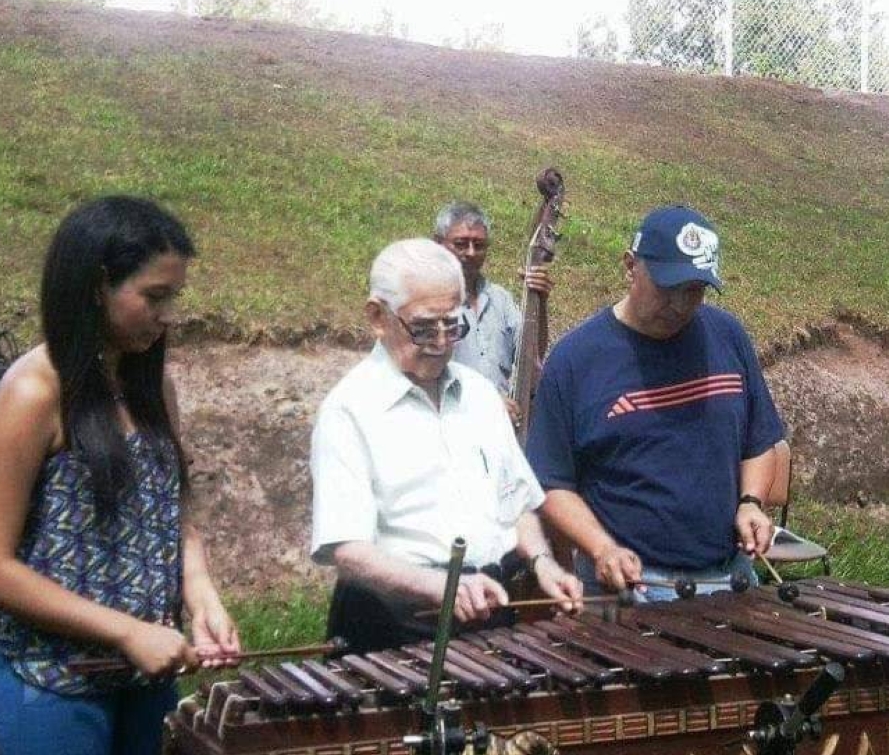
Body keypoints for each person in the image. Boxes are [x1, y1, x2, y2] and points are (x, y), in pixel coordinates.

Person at [0, 195, 240, 755]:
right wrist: (125, 629)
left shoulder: (151, 385)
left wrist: (200, 589)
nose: (167, 315)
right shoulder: (33, 391)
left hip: (144, 686)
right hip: (53, 690)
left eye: (174, 296)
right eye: (154, 296)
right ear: (97, 286)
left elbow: (173, 511)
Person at [310, 238, 581, 652]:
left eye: (452, 325)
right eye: (423, 327)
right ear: (377, 317)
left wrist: (543, 562)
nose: (440, 341)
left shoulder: (481, 395)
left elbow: (516, 503)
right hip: (395, 624)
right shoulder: (348, 410)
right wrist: (443, 586)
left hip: (490, 608)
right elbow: (348, 550)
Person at [526, 204, 785, 602]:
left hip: (731, 578)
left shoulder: (728, 336)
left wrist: (751, 502)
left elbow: (759, 441)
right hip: (634, 587)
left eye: (694, 291)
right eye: (668, 289)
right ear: (631, 267)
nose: (681, 306)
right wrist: (601, 547)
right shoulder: (576, 360)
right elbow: (551, 482)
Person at [433, 202, 552, 421]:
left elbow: (532, 353)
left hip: (499, 433)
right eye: (461, 244)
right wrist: (484, 402)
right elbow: (421, 376)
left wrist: (539, 301)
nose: (471, 252)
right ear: (438, 244)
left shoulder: (500, 299)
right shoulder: (425, 303)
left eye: (479, 245)